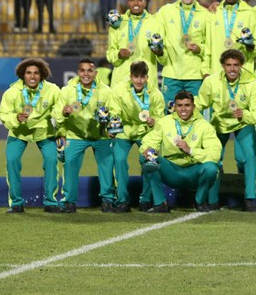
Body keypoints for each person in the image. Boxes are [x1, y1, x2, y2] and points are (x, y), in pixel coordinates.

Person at [196, 49, 256, 210]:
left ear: (241, 66)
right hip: (219, 124)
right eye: (228, 65)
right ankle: (212, 200)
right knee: (214, 158)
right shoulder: (211, 82)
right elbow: (199, 104)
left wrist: (244, 114)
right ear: (222, 66)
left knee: (248, 157)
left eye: (236, 65)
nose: (232, 69)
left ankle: (250, 199)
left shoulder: (252, 83)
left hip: (242, 123)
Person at [0, 58, 62, 213]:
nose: (32, 76)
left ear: (42, 75)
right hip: (19, 132)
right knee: (12, 161)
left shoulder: (52, 90)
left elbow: (58, 109)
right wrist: (15, 119)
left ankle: (51, 202)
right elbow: (3, 114)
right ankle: (16, 203)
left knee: (52, 160)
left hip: (44, 131)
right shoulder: (12, 92)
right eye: (28, 73)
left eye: (36, 73)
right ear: (22, 75)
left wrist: (59, 116)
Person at [140, 91, 221, 212]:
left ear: (193, 107)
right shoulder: (164, 122)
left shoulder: (204, 126)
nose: (183, 109)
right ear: (175, 107)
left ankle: (199, 201)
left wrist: (191, 150)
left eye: (187, 105)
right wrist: (147, 148)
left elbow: (215, 154)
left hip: (194, 171)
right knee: (146, 158)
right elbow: (150, 140)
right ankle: (160, 203)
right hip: (171, 171)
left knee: (211, 168)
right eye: (179, 105)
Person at [54, 59, 116, 213]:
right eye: (83, 70)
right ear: (78, 72)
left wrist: (111, 128)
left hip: (101, 135)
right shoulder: (68, 90)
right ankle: (69, 201)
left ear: (95, 73)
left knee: (107, 166)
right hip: (76, 135)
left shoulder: (106, 91)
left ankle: (108, 200)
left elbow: (115, 113)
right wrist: (63, 112)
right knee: (69, 165)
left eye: (90, 70)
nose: (86, 74)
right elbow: (55, 112)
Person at [109, 60, 165, 212]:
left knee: (148, 163)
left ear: (147, 77)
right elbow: (114, 113)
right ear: (130, 76)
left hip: (146, 132)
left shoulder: (156, 94)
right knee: (119, 162)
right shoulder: (119, 90)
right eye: (136, 76)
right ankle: (122, 201)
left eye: (142, 77)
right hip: (124, 131)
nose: (139, 80)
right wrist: (114, 127)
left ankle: (145, 200)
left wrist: (155, 121)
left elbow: (161, 117)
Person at [150, 0, 210, 106]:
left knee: (195, 114)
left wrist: (200, 49)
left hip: (195, 76)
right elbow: (157, 35)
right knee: (169, 114)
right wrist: (160, 53)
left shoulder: (205, 15)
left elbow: (210, 44)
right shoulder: (166, 11)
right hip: (172, 74)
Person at [203, 0, 256, 76]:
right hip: (217, 72)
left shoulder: (250, 13)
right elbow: (208, 46)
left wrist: (250, 46)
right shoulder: (213, 13)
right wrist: (205, 70)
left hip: (243, 72)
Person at [106, 0, 157, 89]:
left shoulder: (155, 22)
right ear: (128, 3)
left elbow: (162, 54)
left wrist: (158, 50)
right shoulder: (118, 23)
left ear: (145, 3)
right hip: (122, 82)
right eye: (132, 0)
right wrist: (119, 55)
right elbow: (110, 54)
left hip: (147, 80)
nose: (136, 3)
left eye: (139, 0)